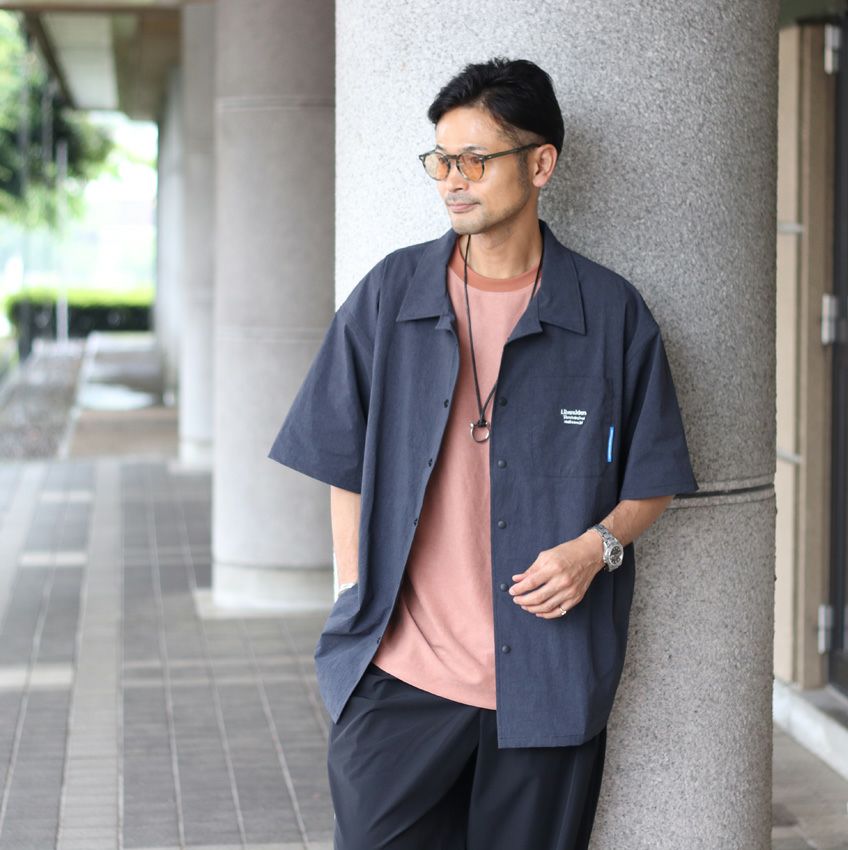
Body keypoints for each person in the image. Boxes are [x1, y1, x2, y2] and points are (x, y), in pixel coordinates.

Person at [267, 56, 698, 850]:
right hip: (400, 678)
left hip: (548, 686)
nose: (452, 181)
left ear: (540, 164)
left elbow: (654, 475)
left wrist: (595, 549)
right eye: (441, 161)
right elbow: (339, 458)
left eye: (475, 160)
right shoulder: (391, 295)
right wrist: (354, 592)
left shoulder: (611, 314)